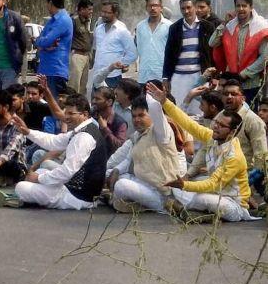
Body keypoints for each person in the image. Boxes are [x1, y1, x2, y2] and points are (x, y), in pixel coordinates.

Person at [147, 82, 254, 222]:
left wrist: (184, 185)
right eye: (217, 122)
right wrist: (164, 101)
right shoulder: (212, 137)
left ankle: (192, 210)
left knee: (201, 197)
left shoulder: (234, 157)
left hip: (234, 205)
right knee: (185, 185)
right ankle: (199, 213)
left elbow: (212, 184)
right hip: (216, 192)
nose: (216, 127)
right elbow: (187, 123)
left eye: (222, 126)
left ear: (232, 132)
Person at [0, 94, 108, 209]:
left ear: (85, 114)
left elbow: (67, 171)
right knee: (42, 170)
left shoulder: (84, 137)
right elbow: (54, 141)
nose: (66, 117)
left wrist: (38, 179)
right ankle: (26, 199)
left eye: (71, 113)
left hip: (78, 197)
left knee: (22, 187)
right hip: (73, 187)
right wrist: (28, 132)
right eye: (66, 112)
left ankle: (22, 199)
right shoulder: (82, 130)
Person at [105, 95, 182, 213]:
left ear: (151, 115)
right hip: (142, 183)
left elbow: (157, 111)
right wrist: (116, 170)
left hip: (161, 192)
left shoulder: (161, 133)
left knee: (121, 185)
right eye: (134, 116)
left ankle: (164, 206)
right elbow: (127, 160)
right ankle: (138, 205)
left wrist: (151, 95)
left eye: (141, 115)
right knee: (112, 174)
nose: (136, 120)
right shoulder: (137, 135)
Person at [210, 0, 268, 105]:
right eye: (238, 6)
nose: (241, 9)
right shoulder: (230, 25)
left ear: (251, 7)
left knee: (249, 114)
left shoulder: (261, 26)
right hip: (232, 83)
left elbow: (265, 57)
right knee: (233, 116)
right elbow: (212, 43)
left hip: (251, 82)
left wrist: (244, 74)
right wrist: (224, 23)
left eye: (244, 6)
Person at [162, 0, 215, 107]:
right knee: (179, 109)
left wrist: (214, 77)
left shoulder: (207, 27)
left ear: (195, 7)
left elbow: (212, 53)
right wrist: (166, 78)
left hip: (199, 76)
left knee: (199, 110)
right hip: (178, 78)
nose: (186, 11)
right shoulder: (174, 28)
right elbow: (168, 55)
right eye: (183, 8)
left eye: (189, 7)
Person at [216, 79, 267, 168]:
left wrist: (254, 178)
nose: (229, 97)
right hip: (219, 173)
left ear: (243, 99)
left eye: (234, 94)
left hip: (244, 176)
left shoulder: (254, 121)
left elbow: (261, 156)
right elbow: (208, 146)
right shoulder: (219, 116)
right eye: (226, 94)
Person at [35, 0, 73, 98]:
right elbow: (39, 40)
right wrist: (42, 43)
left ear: (50, 3)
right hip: (45, 69)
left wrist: (42, 44)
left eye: (46, 3)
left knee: (54, 106)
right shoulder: (52, 20)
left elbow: (45, 41)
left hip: (55, 70)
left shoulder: (63, 20)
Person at [92, 1, 137, 88]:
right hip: (98, 74)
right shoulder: (99, 29)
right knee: (96, 101)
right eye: (102, 12)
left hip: (112, 76)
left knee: (110, 101)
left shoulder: (121, 30)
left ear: (115, 13)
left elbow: (132, 54)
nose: (104, 15)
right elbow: (97, 48)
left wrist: (120, 65)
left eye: (107, 13)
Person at [135, 0, 172, 85]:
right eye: (150, 6)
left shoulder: (170, 26)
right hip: (144, 76)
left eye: (155, 5)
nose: (153, 8)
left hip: (162, 76)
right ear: (146, 8)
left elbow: (172, 51)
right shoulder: (140, 26)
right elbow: (139, 49)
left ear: (161, 8)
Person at [68, 0, 94, 94]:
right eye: (89, 9)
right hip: (76, 56)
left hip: (86, 56)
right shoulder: (73, 21)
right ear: (82, 9)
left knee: (83, 86)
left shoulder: (87, 22)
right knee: (74, 85)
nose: (91, 12)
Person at [91, 87, 127, 154]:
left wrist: (105, 129)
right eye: (93, 98)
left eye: (97, 99)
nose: (93, 101)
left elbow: (119, 146)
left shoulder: (120, 123)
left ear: (109, 102)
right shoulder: (91, 114)